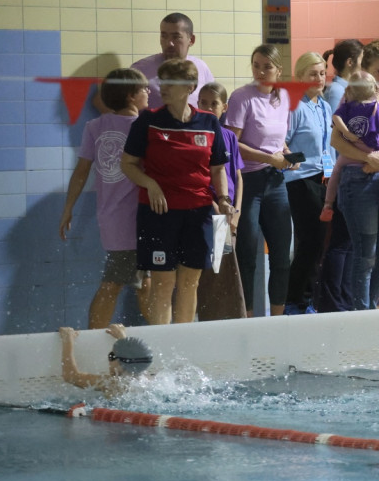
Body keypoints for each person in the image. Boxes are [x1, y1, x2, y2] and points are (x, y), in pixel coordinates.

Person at [120, 58, 233, 325]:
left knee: (190, 282)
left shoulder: (208, 123)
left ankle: (183, 346)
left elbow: (218, 169)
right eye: (162, 82)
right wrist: (150, 184)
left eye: (171, 82)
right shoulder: (148, 120)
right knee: (163, 282)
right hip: (159, 213)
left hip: (198, 213)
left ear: (190, 87)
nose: (164, 87)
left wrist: (224, 199)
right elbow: (128, 164)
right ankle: (162, 352)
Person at [60, 68, 151, 328]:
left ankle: (159, 341)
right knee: (114, 282)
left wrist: (69, 207)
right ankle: (92, 341)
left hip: (112, 217)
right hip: (131, 219)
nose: (149, 92)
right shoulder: (143, 127)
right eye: (144, 89)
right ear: (131, 96)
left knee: (144, 283)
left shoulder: (95, 125)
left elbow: (81, 171)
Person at [330, 40, 379, 310]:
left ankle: (366, 306)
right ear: (366, 72)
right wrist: (367, 158)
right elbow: (336, 140)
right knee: (366, 256)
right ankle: (363, 314)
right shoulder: (350, 96)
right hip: (357, 179)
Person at [227, 44, 295, 318]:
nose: (261, 71)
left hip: (275, 182)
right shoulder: (241, 98)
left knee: (281, 256)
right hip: (249, 182)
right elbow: (231, 144)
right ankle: (247, 319)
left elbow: (278, 140)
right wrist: (270, 159)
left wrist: (288, 155)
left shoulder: (284, 98)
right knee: (246, 256)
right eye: (256, 65)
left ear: (279, 70)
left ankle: (276, 321)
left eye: (267, 66)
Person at [314, 39, 364, 313]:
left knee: (348, 243)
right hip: (341, 176)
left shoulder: (344, 89)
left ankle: (342, 299)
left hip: (345, 174)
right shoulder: (338, 91)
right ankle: (333, 301)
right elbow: (334, 137)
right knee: (340, 243)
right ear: (350, 62)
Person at [283, 52, 333, 315]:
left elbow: (329, 145)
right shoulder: (295, 107)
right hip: (301, 180)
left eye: (323, 73)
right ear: (299, 77)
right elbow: (283, 142)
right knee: (310, 241)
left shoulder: (323, 106)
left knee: (318, 243)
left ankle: (306, 298)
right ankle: (296, 301)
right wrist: (298, 161)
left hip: (324, 178)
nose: (319, 78)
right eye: (313, 74)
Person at [194, 82, 246, 321]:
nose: (207, 107)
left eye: (213, 103)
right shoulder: (196, 136)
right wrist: (216, 209)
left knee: (225, 272)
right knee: (208, 273)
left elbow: (237, 175)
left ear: (224, 107)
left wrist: (236, 213)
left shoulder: (228, 137)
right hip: (209, 212)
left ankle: (224, 324)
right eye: (202, 102)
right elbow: (199, 177)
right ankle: (204, 321)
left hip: (228, 215)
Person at [329, 71, 379, 218]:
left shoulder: (347, 105)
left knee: (336, 170)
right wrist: (378, 158)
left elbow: (335, 118)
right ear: (374, 88)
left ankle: (328, 204)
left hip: (351, 158)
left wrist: (347, 132)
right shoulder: (375, 108)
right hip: (374, 155)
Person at [127, 13, 213, 110]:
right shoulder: (141, 70)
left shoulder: (201, 68)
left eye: (176, 37)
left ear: (191, 40)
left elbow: (214, 104)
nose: (169, 43)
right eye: (164, 36)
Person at [60, 324, 153, 397]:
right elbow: (131, 358)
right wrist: (122, 338)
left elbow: (71, 377)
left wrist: (67, 340)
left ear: (120, 363)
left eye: (111, 356)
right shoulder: (146, 378)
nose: (109, 361)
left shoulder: (114, 383)